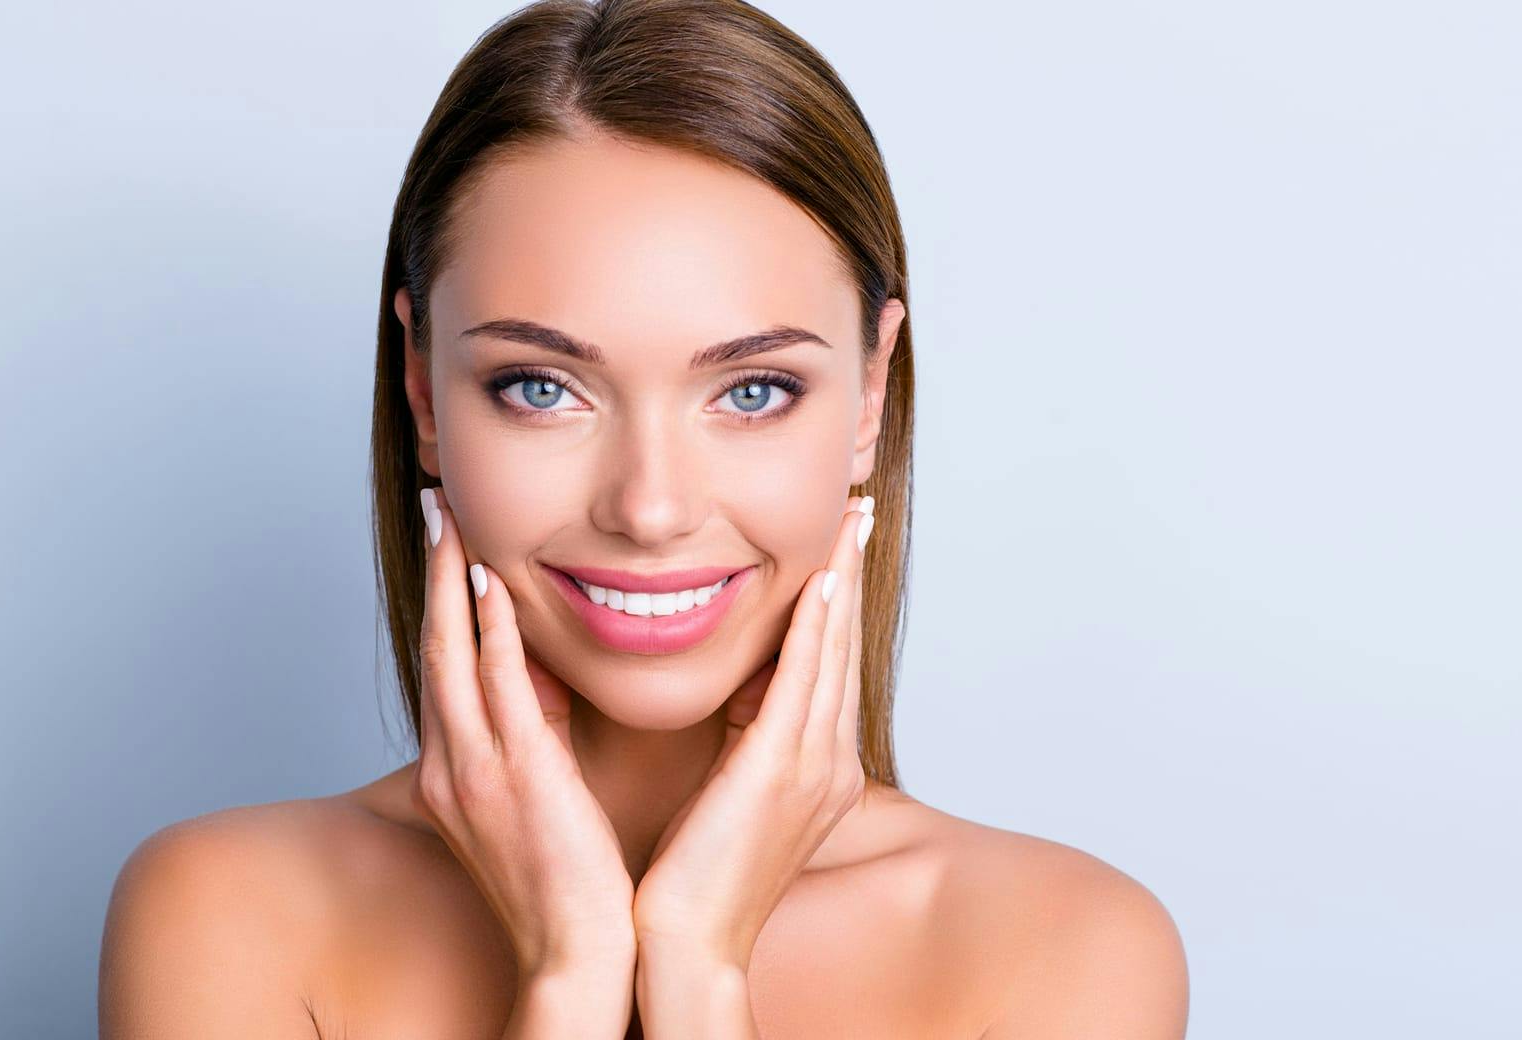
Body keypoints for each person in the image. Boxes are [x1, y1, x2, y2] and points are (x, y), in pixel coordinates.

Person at [97, 1, 1189, 1036]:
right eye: (540, 387)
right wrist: (568, 975)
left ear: (868, 396)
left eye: (752, 390)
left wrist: (698, 965)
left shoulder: (1061, 946)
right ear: (423, 391)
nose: (650, 508)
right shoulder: (227, 911)